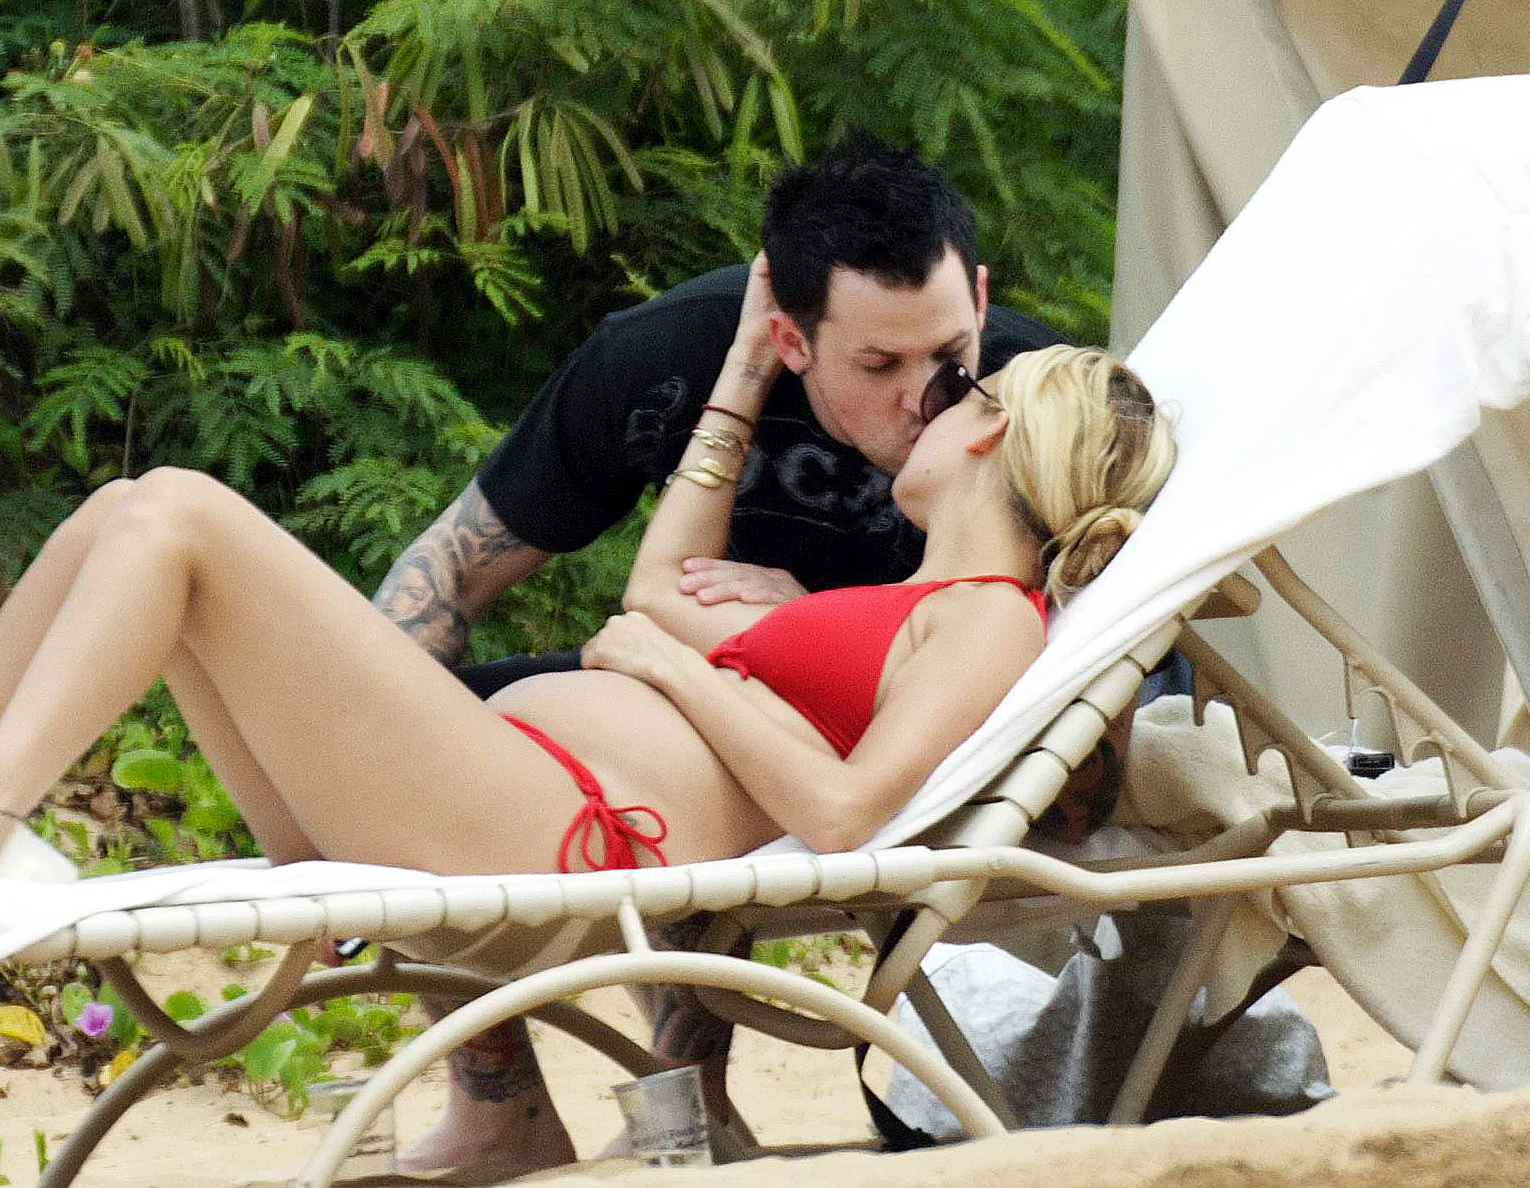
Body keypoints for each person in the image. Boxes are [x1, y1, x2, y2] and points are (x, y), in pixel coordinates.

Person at [0, 258, 1175, 1165]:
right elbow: (657, 589)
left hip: (558, 836)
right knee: (128, 510)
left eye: (952, 390)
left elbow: (848, 813)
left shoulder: (990, 612)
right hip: (502, 794)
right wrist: (745, 370)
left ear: (992, 426)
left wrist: (673, 669)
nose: (923, 405)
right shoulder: (907, 597)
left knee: (180, 515)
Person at [375, 138, 1066, 1171]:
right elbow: (452, 571)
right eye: (878, 366)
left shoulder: (1020, 403)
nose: (926, 396)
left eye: (950, 354)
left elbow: (1049, 627)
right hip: (723, 668)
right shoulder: (667, 355)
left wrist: (817, 618)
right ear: (790, 336)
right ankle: (498, 1101)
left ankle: (684, 1100)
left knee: (686, 747)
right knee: (408, 720)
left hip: (860, 727)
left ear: (979, 294)